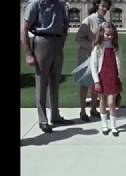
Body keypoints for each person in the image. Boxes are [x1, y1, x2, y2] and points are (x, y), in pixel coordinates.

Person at [22, 0, 74, 133]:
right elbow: (25, 28)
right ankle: (43, 119)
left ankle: (55, 116)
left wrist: (63, 39)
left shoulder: (60, 4)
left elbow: (65, 24)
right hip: (41, 41)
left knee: (55, 81)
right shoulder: (35, 4)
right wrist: (28, 53)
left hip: (57, 41)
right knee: (42, 83)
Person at [72, 22, 122, 137]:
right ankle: (105, 125)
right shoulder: (98, 48)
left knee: (111, 102)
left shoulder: (115, 48)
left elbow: (119, 63)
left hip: (113, 78)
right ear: (101, 34)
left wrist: (120, 77)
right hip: (101, 78)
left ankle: (114, 126)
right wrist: (96, 81)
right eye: (107, 34)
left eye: (112, 35)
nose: (110, 37)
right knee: (102, 100)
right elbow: (93, 66)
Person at [75, 0, 112, 122]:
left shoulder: (105, 22)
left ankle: (93, 109)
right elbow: (78, 39)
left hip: (99, 59)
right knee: (85, 85)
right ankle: (82, 111)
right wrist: (93, 45)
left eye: (106, 6)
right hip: (86, 58)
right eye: (102, 5)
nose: (104, 8)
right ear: (97, 6)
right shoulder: (89, 20)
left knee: (96, 84)